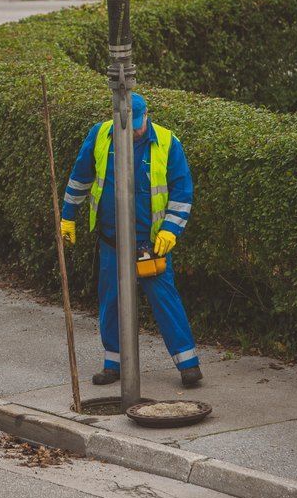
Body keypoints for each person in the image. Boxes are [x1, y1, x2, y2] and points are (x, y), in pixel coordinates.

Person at [60, 93, 203, 387]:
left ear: (146, 114)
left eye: (138, 125)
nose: (134, 131)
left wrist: (170, 231)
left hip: (149, 244)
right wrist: (67, 216)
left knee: (165, 300)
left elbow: (182, 192)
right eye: (129, 125)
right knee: (110, 301)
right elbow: (80, 178)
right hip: (112, 240)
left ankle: (188, 365)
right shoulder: (100, 135)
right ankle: (114, 364)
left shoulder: (166, 142)